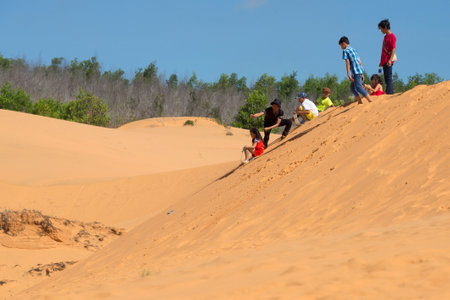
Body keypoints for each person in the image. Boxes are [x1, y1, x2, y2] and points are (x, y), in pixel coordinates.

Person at [339, 36, 373, 104]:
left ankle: (370, 100)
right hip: (359, 71)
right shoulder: (353, 49)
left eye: (341, 46)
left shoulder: (345, 51)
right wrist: (362, 72)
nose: (341, 47)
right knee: (352, 87)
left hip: (355, 72)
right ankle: (359, 101)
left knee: (358, 87)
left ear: (343, 43)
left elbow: (347, 62)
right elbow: (359, 61)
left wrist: (348, 74)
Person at [378, 19, 397, 94]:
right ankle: (389, 92)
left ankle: (390, 93)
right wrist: (381, 62)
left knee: (388, 77)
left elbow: (393, 49)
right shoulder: (385, 37)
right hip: (384, 60)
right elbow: (383, 50)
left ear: (385, 27)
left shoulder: (392, 36)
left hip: (388, 60)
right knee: (386, 77)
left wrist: (390, 60)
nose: (381, 31)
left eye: (381, 29)